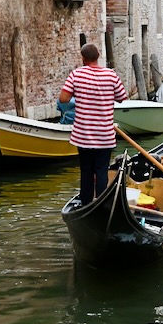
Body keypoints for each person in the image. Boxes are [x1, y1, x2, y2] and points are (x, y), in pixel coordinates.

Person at [59, 43, 127, 205]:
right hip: (104, 134)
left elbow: (63, 99)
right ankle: (101, 203)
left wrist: (81, 97)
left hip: (83, 135)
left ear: (83, 58)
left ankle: (86, 202)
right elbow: (121, 97)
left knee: (86, 171)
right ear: (98, 56)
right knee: (102, 171)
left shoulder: (76, 75)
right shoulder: (110, 75)